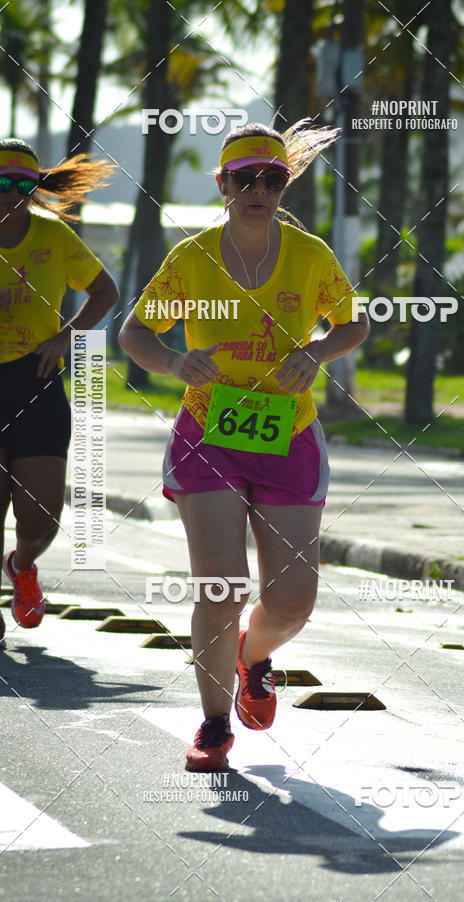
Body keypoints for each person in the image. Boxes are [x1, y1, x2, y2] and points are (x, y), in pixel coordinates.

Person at [118, 120, 370, 770]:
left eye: (272, 178)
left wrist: (316, 352)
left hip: (287, 437)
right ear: (223, 186)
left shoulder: (309, 255)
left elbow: (353, 323)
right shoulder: (192, 257)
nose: (259, 189)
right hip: (209, 436)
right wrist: (175, 364)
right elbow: (134, 333)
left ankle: (253, 657)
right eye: (245, 179)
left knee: (291, 601)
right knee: (221, 588)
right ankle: (210, 724)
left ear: (283, 186)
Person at [0, 139, 119, 649]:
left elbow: (106, 292)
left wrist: (66, 337)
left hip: (36, 379)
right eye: (2, 182)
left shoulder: (55, 237)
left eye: (25, 185)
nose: (12, 194)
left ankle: (22, 566)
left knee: (42, 517)